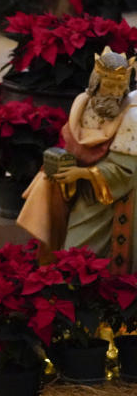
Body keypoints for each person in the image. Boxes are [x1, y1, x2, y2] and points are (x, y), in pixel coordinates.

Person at [19, 49, 137, 273]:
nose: (113, 92)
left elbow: (126, 171)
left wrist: (82, 174)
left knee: (81, 251)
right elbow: (71, 142)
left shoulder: (131, 116)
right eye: (108, 85)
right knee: (69, 249)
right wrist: (59, 165)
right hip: (77, 190)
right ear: (95, 81)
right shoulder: (82, 104)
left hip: (108, 199)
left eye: (119, 86)